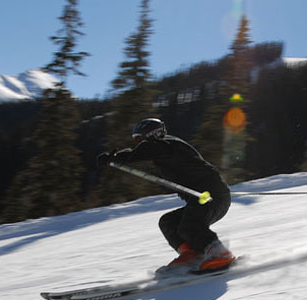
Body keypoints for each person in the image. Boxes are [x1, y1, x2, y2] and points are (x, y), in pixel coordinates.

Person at [98, 118, 235, 276]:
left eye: (139, 139)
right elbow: (148, 150)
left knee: (189, 225)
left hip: (212, 196)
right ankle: (192, 254)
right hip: (201, 198)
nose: (138, 143)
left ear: (152, 134)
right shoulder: (164, 151)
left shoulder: (168, 144)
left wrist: (114, 157)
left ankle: (221, 254)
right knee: (169, 222)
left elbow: (146, 149)